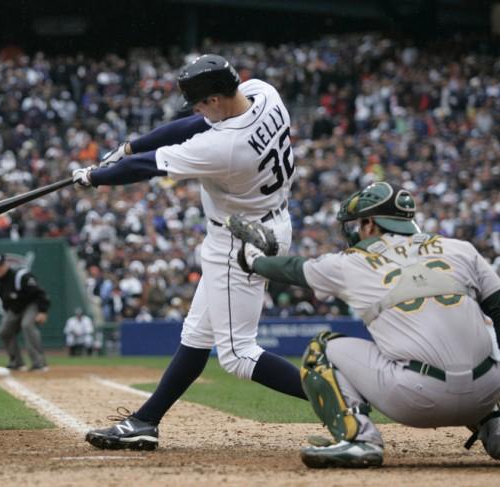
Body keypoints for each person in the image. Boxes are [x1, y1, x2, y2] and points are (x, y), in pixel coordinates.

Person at [73, 54, 305, 451]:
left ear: (215, 98)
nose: (198, 110)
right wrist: (130, 145)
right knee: (197, 336)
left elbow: (148, 168)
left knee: (238, 354)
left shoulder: (225, 147)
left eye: (200, 101)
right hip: (267, 223)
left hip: (240, 240)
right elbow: (194, 123)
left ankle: (338, 395)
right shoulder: (263, 93)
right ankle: (145, 421)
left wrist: (96, 175)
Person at [227, 181, 500, 468]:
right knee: (477, 336)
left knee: (321, 348)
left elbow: (295, 269)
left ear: (370, 223)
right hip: (485, 393)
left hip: (417, 400)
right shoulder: (460, 249)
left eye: (357, 224)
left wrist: (254, 260)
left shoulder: (354, 261)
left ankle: (358, 438)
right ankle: (494, 427)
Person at [0, 253, 50, 372]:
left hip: (31, 304)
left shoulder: (20, 276)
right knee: (4, 331)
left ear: (6, 264)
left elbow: (40, 293)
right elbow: (5, 300)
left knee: (27, 325)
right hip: (15, 308)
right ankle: (17, 362)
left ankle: (39, 362)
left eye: (0, 265)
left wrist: (43, 311)